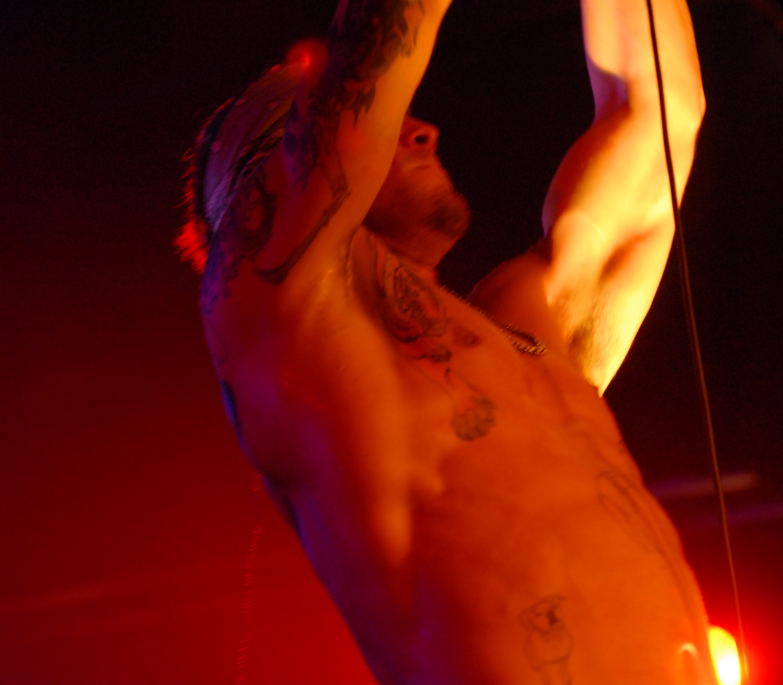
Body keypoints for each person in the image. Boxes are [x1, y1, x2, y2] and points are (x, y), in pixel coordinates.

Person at [178, 0, 709, 682]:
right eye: (312, 112)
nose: (421, 130)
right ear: (254, 192)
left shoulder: (527, 329)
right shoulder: (282, 316)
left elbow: (657, 114)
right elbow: (388, 32)